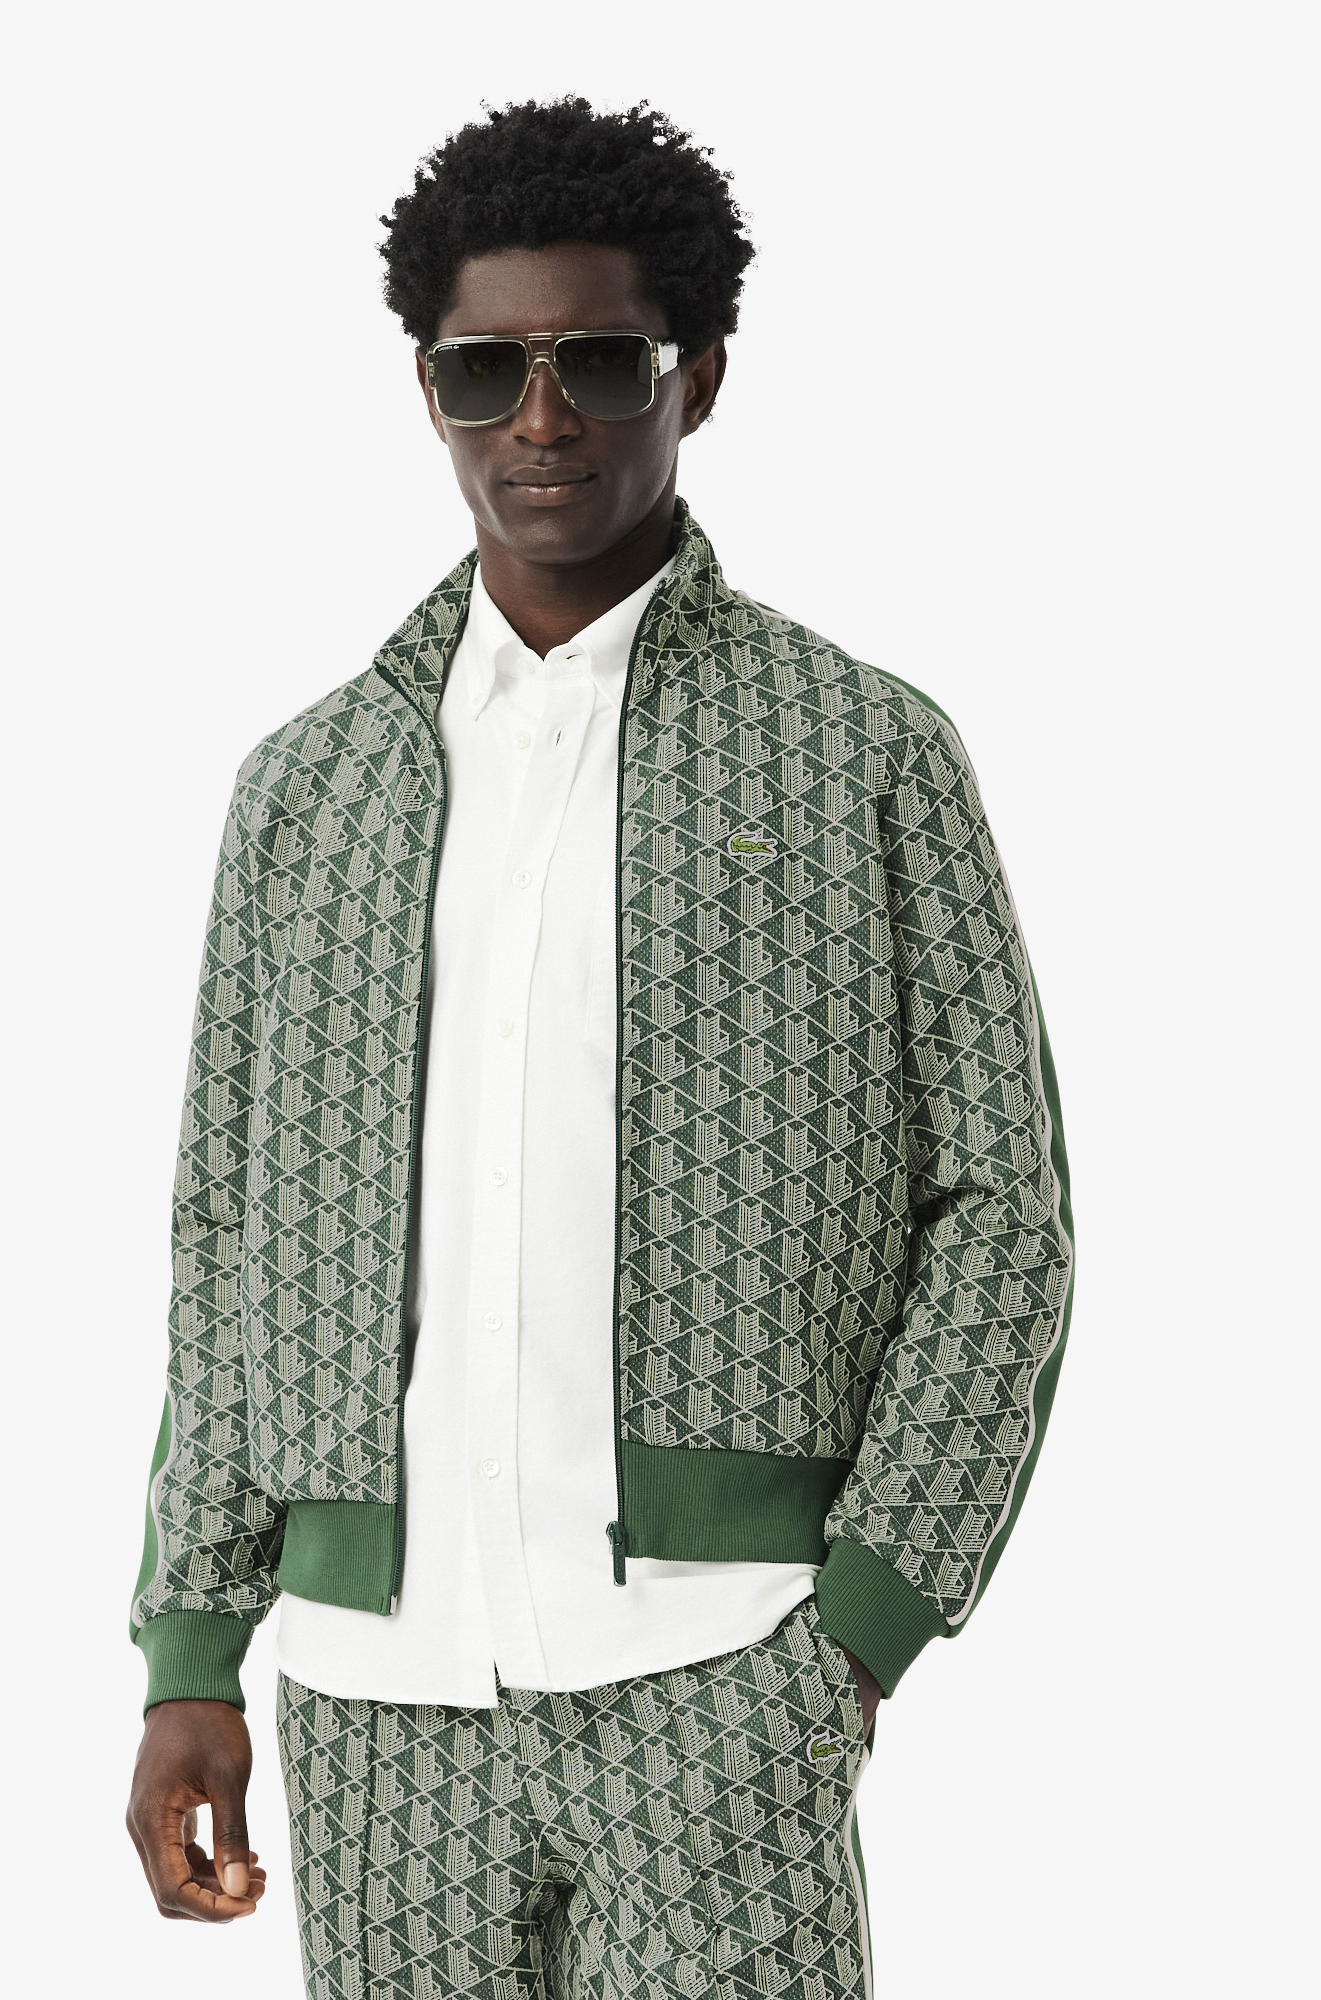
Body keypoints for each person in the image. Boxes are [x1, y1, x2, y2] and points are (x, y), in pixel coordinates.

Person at [124, 97, 1074, 1999]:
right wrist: (191, 1653)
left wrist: (864, 1623)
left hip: (725, 1676)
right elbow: (229, 1239)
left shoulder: (861, 752)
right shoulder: (308, 792)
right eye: (487, 370)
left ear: (696, 375)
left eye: (601, 363)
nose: (541, 420)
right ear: (431, 390)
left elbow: (1002, 1215)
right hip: (376, 1705)